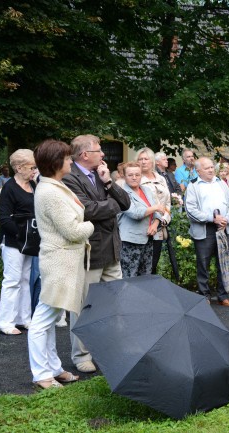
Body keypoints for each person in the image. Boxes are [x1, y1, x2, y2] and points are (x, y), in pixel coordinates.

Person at [28, 139, 94, 389]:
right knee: (43, 319)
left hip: (64, 261)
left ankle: (53, 368)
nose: (71, 161)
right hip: (59, 261)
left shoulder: (54, 186)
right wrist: (92, 225)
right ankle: (41, 374)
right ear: (57, 163)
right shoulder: (50, 192)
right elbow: (73, 231)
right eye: (67, 158)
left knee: (52, 314)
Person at [63, 134, 131, 373]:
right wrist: (113, 207)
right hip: (89, 251)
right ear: (84, 155)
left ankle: (111, 348)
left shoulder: (102, 176)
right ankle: (81, 354)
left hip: (111, 249)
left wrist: (110, 184)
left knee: (115, 304)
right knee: (84, 305)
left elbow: (126, 203)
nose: (103, 155)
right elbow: (86, 210)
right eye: (99, 151)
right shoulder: (70, 178)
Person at [185, 157, 229, 306]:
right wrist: (211, 218)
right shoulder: (193, 186)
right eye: (207, 168)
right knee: (203, 264)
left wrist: (227, 218)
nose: (211, 170)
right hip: (205, 229)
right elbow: (191, 210)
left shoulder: (221, 183)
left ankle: (223, 296)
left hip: (223, 227)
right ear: (198, 170)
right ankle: (204, 296)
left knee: (225, 262)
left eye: (211, 167)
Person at [0, 149, 38, 335]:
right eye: (32, 167)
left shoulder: (35, 186)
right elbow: (4, 219)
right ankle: (6, 322)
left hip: (29, 241)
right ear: (19, 167)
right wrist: (22, 235)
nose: (34, 171)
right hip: (13, 241)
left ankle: (24, 319)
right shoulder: (9, 188)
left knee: (24, 279)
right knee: (12, 280)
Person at [118, 162, 166, 277]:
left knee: (146, 276)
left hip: (148, 238)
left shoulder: (146, 190)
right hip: (130, 241)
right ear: (124, 176)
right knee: (130, 276)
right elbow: (135, 213)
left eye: (137, 174)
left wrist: (155, 224)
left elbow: (157, 214)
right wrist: (155, 207)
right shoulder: (121, 193)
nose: (134, 178)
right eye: (130, 175)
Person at [136, 148, 174, 279]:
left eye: (146, 159)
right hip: (143, 226)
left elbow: (167, 202)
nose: (143, 162)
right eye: (140, 159)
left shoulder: (161, 179)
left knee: (153, 264)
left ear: (152, 161)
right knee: (140, 266)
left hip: (159, 228)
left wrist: (163, 220)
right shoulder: (136, 179)